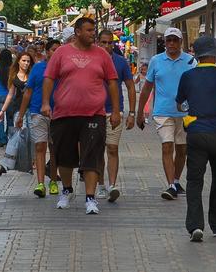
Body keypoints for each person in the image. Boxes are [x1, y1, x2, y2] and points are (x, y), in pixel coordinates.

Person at [42, 17, 119, 215]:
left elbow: (112, 82)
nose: (93, 33)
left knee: (92, 156)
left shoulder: (102, 55)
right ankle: (67, 190)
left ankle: (90, 197)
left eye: (94, 30)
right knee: (65, 157)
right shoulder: (61, 53)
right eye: (88, 30)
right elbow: (49, 78)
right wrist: (45, 103)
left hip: (94, 114)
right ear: (77, 32)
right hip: (64, 113)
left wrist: (116, 110)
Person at [176, 36, 216, 242]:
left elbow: (179, 104)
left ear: (197, 55)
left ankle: (195, 226)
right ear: (214, 55)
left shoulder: (187, 76)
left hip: (196, 133)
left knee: (194, 180)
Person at [137, 26, 196, 200]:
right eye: (168, 40)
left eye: (174, 40)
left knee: (182, 149)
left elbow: (197, 86)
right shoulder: (156, 60)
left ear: (180, 42)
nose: (171, 43)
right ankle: (170, 185)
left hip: (185, 113)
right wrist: (140, 112)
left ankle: (176, 181)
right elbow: (147, 88)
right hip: (163, 112)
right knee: (167, 145)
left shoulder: (191, 61)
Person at [15, 39, 61, 198]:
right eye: (53, 49)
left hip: (59, 113)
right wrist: (21, 115)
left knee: (55, 149)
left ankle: (54, 180)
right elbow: (28, 93)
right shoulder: (38, 68)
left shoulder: (64, 68)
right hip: (37, 111)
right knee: (40, 147)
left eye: (58, 49)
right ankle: (40, 183)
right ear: (47, 52)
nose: (56, 52)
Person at [97, 28, 136, 202]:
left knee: (112, 148)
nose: (107, 46)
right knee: (97, 151)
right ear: (98, 43)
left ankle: (112, 185)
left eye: (109, 42)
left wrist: (132, 113)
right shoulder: (91, 60)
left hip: (114, 111)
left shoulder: (121, 62)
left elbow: (130, 87)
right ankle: (100, 185)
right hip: (94, 111)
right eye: (103, 42)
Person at [0, 52, 32, 135]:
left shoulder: (32, 75)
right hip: (18, 108)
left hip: (32, 108)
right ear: (18, 61)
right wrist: (2, 111)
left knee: (31, 136)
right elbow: (10, 94)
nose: (26, 63)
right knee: (21, 133)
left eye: (28, 61)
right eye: (24, 60)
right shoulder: (13, 76)